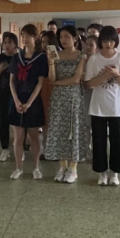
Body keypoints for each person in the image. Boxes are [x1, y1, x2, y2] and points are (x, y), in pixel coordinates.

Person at [86, 27, 120, 187]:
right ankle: (102, 172)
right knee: (99, 141)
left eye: (111, 41)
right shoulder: (94, 59)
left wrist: (116, 74)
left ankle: (114, 172)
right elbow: (89, 84)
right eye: (105, 40)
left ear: (116, 42)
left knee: (117, 141)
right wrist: (104, 76)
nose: (108, 44)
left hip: (117, 107)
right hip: (98, 106)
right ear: (101, 41)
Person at [45, 26, 89, 184]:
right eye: (61, 37)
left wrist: (57, 83)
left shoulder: (81, 56)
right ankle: (62, 167)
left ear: (75, 38)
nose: (63, 40)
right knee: (59, 130)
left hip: (73, 98)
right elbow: (51, 78)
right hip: (58, 98)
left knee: (74, 130)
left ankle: (73, 168)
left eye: (67, 36)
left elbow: (76, 79)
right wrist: (51, 63)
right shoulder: (56, 55)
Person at [8, 24, 48, 180]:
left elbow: (40, 83)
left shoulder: (41, 57)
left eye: (28, 35)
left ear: (35, 37)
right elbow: (11, 81)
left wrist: (29, 103)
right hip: (17, 99)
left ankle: (36, 167)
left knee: (34, 135)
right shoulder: (16, 57)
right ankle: (18, 167)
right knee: (18, 137)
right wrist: (16, 100)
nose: (25, 38)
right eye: (23, 35)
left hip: (33, 100)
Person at [0, 33, 19, 162]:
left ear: (15, 44)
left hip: (18, 94)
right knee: (3, 122)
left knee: (18, 122)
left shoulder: (19, 57)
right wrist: (1, 69)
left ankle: (20, 148)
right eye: (5, 42)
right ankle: (5, 149)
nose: (7, 45)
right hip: (2, 93)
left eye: (10, 42)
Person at [83, 35, 98, 130]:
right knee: (85, 123)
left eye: (91, 45)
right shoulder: (81, 61)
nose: (88, 47)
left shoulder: (99, 62)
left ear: (97, 48)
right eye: (86, 44)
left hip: (96, 94)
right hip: (83, 94)